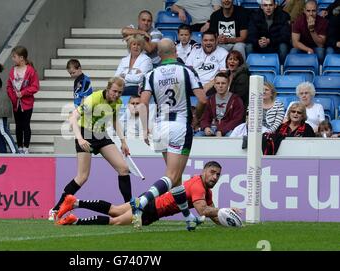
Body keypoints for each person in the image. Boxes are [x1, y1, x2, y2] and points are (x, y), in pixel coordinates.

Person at [131, 38, 205, 231]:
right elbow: (203, 99)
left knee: (176, 179)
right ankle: (142, 201)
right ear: (176, 51)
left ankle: (188, 217)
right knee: (172, 175)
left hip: (159, 125)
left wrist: (145, 128)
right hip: (180, 125)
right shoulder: (186, 70)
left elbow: (143, 103)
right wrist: (197, 117)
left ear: (159, 55)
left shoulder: (151, 74)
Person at [56, 161, 241, 227]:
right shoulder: (198, 186)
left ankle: (75, 202)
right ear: (204, 171)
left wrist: (229, 223)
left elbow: (211, 213)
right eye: (212, 172)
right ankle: (75, 221)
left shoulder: (205, 189)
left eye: (218, 174)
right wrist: (225, 211)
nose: (215, 177)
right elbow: (203, 211)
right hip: (154, 208)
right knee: (115, 221)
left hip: (152, 200)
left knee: (115, 210)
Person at [48, 77, 132, 221]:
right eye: (114, 91)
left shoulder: (117, 102)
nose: (116, 95)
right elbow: (73, 117)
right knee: (82, 177)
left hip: (101, 135)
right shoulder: (93, 99)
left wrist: (123, 142)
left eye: (119, 92)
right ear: (108, 88)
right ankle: (55, 209)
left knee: (123, 168)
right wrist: (80, 138)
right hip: (85, 134)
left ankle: (130, 209)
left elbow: (114, 120)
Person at [7, 46, 40, 154]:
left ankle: (26, 147)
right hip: (16, 103)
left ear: (21, 58)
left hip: (27, 104)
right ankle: (19, 147)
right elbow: (9, 86)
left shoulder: (30, 70)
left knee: (25, 124)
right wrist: (13, 97)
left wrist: (23, 93)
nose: (13, 59)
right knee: (18, 125)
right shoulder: (12, 70)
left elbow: (35, 87)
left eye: (14, 56)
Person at [197, 72, 244, 137]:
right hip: (212, 128)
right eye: (218, 83)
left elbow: (237, 120)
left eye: (223, 83)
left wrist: (222, 130)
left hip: (228, 129)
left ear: (228, 84)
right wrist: (206, 127)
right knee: (198, 136)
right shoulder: (211, 99)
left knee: (231, 136)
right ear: (214, 85)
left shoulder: (236, 100)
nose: (220, 86)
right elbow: (205, 118)